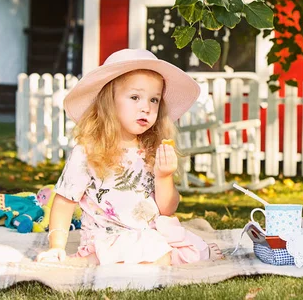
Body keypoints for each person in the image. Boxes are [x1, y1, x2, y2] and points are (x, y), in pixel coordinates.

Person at [36, 49, 217, 266]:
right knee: (153, 253)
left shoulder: (150, 148)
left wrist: (164, 176)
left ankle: (147, 258)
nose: (146, 107)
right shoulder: (88, 151)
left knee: (193, 249)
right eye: (135, 97)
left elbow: (167, 209)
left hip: (148, 233)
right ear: (109, 101)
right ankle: (90, 260)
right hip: (107, 238)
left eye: (154, 100)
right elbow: (65, 201)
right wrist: (56, 245)